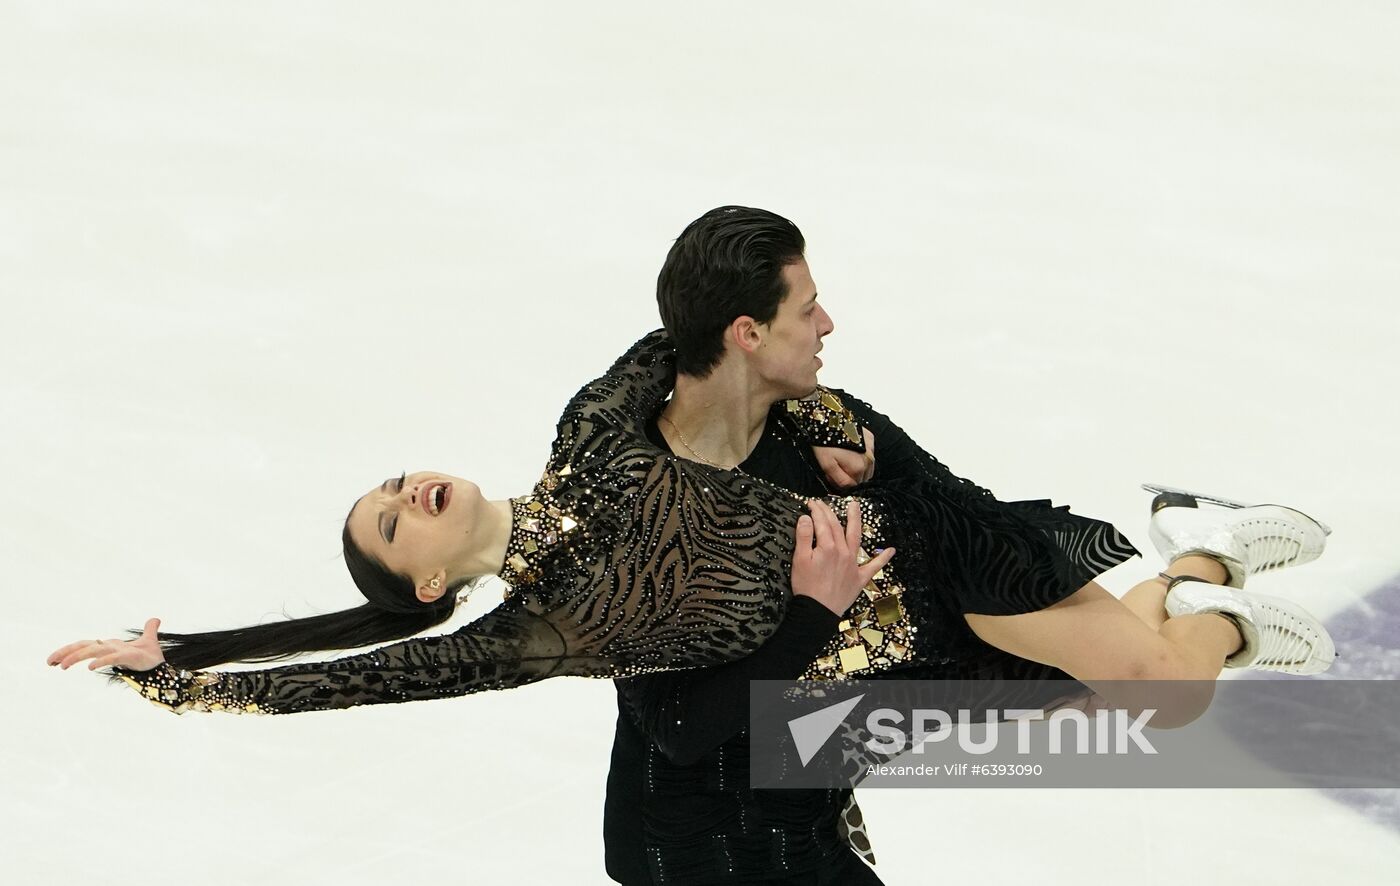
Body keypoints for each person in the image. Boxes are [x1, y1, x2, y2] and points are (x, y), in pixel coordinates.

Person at [49, 209, 1335, 879]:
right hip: (888, 657)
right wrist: (182, 673)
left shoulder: (589, 428)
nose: (408, 490)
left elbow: (691, 326)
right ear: (426, 581)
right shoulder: (540, 632)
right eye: (393, 522)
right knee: (1144, 703)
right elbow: (360, 678)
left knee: (1157, 692)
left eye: (393, 481)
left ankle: (1198, 572)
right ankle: (1199, 563)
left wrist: (811, 415)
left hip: (926, 547)